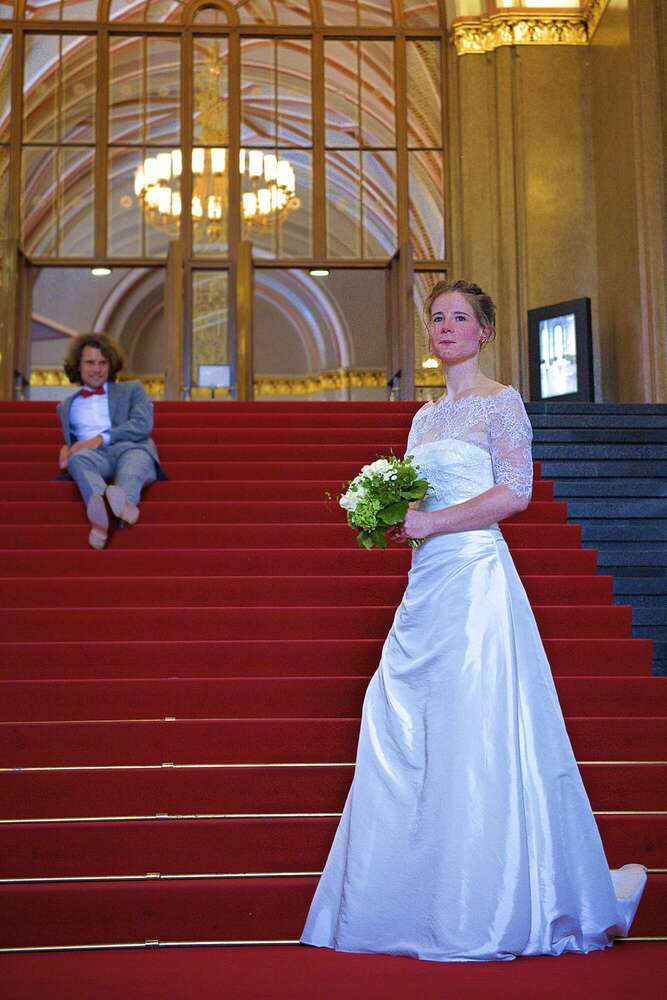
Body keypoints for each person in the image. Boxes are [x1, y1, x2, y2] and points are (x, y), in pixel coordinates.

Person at [301, 279, 646, 962]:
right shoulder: (423, 418)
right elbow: (417, 498)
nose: (446, 327)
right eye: (437, 317)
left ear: (483, 331)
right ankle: (414, 894)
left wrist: (432, 523)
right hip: (425, 581)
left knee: (476, 724)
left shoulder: (500, 401)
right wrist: (392, 517)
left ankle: (489, 898)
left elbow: (514, 493)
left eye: (459, 317)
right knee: (411, 723)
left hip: (476, 575)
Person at [57, 333, 162, 550]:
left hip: (132, 449)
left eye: (103, 363)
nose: (97, 369)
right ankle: (111, 509)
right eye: (90, 362)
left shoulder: (132, 389)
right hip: (95, 457)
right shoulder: (66, 406)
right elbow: (74, 441)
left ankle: (107, 520)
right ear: (78, 366)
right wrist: (67, 448)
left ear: (110, 365)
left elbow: (142, 424)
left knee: (130, 471)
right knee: (78, 460)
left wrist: (100, 438)